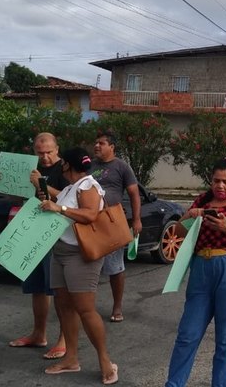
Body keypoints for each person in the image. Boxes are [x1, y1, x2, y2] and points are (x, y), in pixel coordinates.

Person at [165, 158, 226, 387]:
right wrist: (190, 215)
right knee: (187, 334)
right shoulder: (203, 200)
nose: (220, 186)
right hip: (201, 269)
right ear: (210, 181)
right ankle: (173, 383)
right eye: (216, 181)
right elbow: (177, 232)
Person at [38, 148, 118, 384]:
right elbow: (60, 203)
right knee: (64, 307)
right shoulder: (71, 187)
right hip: (61, 251)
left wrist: (59, 208)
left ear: (67, 166)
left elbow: (90, 215)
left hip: (79, 254)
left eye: (63, 165)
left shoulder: (88, 186)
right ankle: (71, 358)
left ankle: (105, 360)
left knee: (85, 309)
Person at [0, 132, 68, 359]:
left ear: (57, 149)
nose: (44, 157)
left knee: (59, 290)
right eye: (40, 152)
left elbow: (70, 198)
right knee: (36, 286)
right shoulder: (30, 168)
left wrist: (41, 184)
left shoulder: (65, 169)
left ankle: (64, 339)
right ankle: (39, 334)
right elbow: (18, 197)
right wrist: (1, 181)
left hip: (57, 233)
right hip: (31, 230)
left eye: (49, 152)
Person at [92, 133, 141, 322]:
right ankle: (87, 307)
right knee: (89, 267)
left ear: (112, 146)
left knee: (115, 267)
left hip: (112, 221)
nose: (97, 146)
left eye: (101, 143)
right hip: (91, 222)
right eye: (95, 143)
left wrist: (136, 220)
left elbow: (134, 194)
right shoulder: (90, 166)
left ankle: (117, 307)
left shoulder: (121, 167)